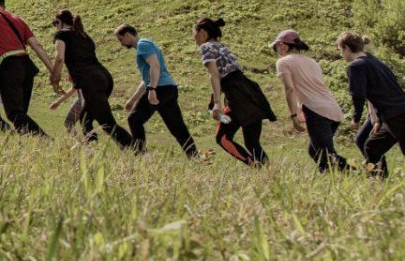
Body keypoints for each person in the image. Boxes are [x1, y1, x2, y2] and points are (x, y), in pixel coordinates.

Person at [193, 17, 276, 166]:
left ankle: (253, 165)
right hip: (251, 92)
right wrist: (215, 101)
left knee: (222, 138)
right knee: (252, 142)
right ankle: (269, 172)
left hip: (237, 96)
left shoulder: (206, 47)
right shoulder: (222, 46)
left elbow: (215, 75)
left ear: (203, 33)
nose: (194, 37)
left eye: (195, 33)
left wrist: (217, 104)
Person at [0, 0, 54, 136]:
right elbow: (36, 45)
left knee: (14, 113)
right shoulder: (18, 19)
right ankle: (29, 146)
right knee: (20, 114)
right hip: (27, 66)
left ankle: (48, 142)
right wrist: (53, 71)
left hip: (9, 66)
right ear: (3, 5)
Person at [49, 10, 132, 150]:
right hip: (104, 78)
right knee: (85, 118)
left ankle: (138, 150)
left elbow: (60, 58)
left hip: (91, 82)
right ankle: (90, 149)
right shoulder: (84, 35)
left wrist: (54, 79)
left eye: (55, 23)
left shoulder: (62, 34)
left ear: (61, 22)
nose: (55, 26)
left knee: (107, 123)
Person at [272, 29, 351, 173]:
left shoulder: (283, 62)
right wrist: (300, 107)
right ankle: (347, 176)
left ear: (283, 45)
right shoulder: (312, 61)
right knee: (315, 151)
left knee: (325, 157)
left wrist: (294, 115)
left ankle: (358, 175)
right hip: (333, 109)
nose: (276, 50)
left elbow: (289, 89)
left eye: (276, 47)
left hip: (316, 111)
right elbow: (309, 87)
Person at [115, 25, 199, 158]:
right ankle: (194, 157)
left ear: (127, 35)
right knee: (177, 127)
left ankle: (141, 156)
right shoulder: (146, 45)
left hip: (160, 88)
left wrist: (153, 89)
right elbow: (146, 78)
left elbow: (155, 66)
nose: (121, 43)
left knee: (134, 119)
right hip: (168, 88)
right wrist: (132, 100)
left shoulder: (143, 44)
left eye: (120, 39)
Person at [340, 31, 405, 177]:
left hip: (397, 115)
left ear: (347, 48)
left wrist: (356, 118)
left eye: (341, 50)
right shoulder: (375, 61)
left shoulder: (355, 66)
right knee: (372, 147)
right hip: (393, 114)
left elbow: (358, 95)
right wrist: (379, 121)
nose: (342, 54)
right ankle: (380, 183)